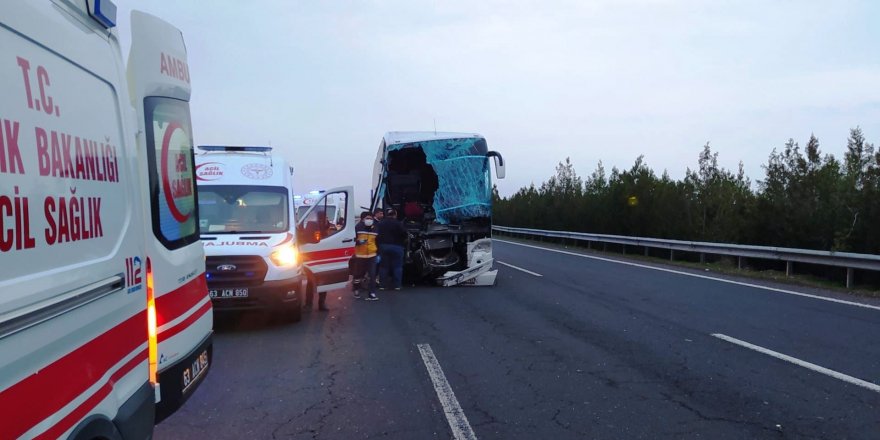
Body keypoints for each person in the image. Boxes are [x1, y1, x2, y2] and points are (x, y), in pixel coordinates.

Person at [377, 208, 407, 290]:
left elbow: (377, 235)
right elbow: (404, 234)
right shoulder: (398, 223)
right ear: (395, 215)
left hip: (384, 246)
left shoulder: (381, 223)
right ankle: (397, 285)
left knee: (383, 267)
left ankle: (382, 285)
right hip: (397, 247)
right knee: (397, 267)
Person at [352, 211, 379, 301]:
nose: (369, 220)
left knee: (372, 275)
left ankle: (372, 293)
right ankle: (356, 289)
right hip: (360, 255)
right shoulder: (358, 227)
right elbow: (352, 239)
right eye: (367, 218)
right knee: (358, 274)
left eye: (371, 218)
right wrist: (358, 242)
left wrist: (378, 252)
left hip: (372, 255)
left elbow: (378, 240)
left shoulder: (375, 228)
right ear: (363, 219)